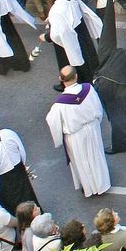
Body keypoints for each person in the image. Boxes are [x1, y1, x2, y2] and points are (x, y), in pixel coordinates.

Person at [46, 66, 111, 197]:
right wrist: (96, 121)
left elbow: (53, 122)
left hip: (75, 135)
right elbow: (98, 107)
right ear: (76, 76)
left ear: (60, 79)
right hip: (92, 128)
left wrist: (59, 139)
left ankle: (90, 188)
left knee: (82, 161)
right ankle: (102, 183)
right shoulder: (88, 89)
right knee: (96, 155)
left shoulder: (59, 104)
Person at [44, 0, 103, 83]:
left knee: (71, 59)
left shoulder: (56, 9)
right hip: (81, 30)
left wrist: (46, 37)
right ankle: (93, 75)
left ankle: (74, 82)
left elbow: (60, 33)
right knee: (87, 54)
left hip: (69, 37)